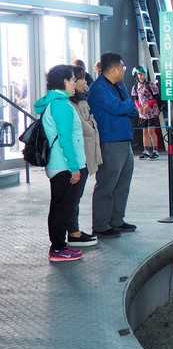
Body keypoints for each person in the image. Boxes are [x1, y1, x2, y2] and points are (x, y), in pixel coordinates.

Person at [33, 64, 86, 261]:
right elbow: (66, 140)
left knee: (59, 206)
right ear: (64, 82)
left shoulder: (53, 102)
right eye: (73, 80)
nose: (75, 83)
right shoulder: (61, 105)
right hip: (64, 166)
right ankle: (57, 248)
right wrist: (74, 167)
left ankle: (59, 246)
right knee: (62, 208)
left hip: (58, 165)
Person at [88, 52, 139, 238]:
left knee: (123, 183)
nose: (124, 70)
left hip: (125, 140)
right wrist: (125, 105)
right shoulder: (99, 88)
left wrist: (125, 105)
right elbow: (119, 108)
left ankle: (117, 220)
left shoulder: (119, 85)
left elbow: (131, 107)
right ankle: (101, 224)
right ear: (115, 68)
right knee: (107, 183)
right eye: (123, 66)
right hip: (110, 141)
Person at [68, 65, 102, 247]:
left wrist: (90, 124)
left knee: (76, 196)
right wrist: (89, 124)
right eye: (79, 79)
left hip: (82, 156)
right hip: (75, 158)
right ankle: (73, 234)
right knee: (72, 197)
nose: (83, 82)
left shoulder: (82, 101)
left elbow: (91, 123)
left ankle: (75, 230)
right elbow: (85, 128)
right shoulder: (68, 105)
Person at [130, 65, 161, 160]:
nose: (142, 76)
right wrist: (138, 107)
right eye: (140, 75)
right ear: (136, 76)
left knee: (151, 131)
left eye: (143, 74)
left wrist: (149, 105)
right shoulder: (135, 87)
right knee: (145, 132)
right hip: (142, 113)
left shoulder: (150, 84)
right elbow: (135, 98)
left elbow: (156, 97)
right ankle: (146, 150)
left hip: (152, 112)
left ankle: (155, 150)